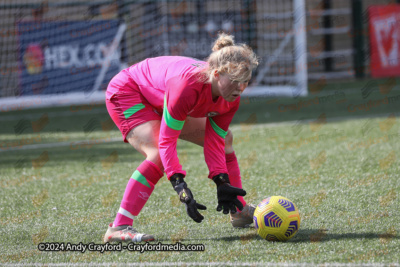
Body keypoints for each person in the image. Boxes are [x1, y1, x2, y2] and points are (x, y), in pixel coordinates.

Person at [103, 33, 259, 242]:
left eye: (246, 82)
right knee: (158, 153)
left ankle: (238, 209)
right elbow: (168, 141)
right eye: (235, 81)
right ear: (216, 73)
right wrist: (180, 185)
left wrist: (221, 182)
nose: (240, 88)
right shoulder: (187, 86)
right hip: (129, 91)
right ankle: (118, 228)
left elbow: (214, 142)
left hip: (162, 97)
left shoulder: (231, 97)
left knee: (226, 140)